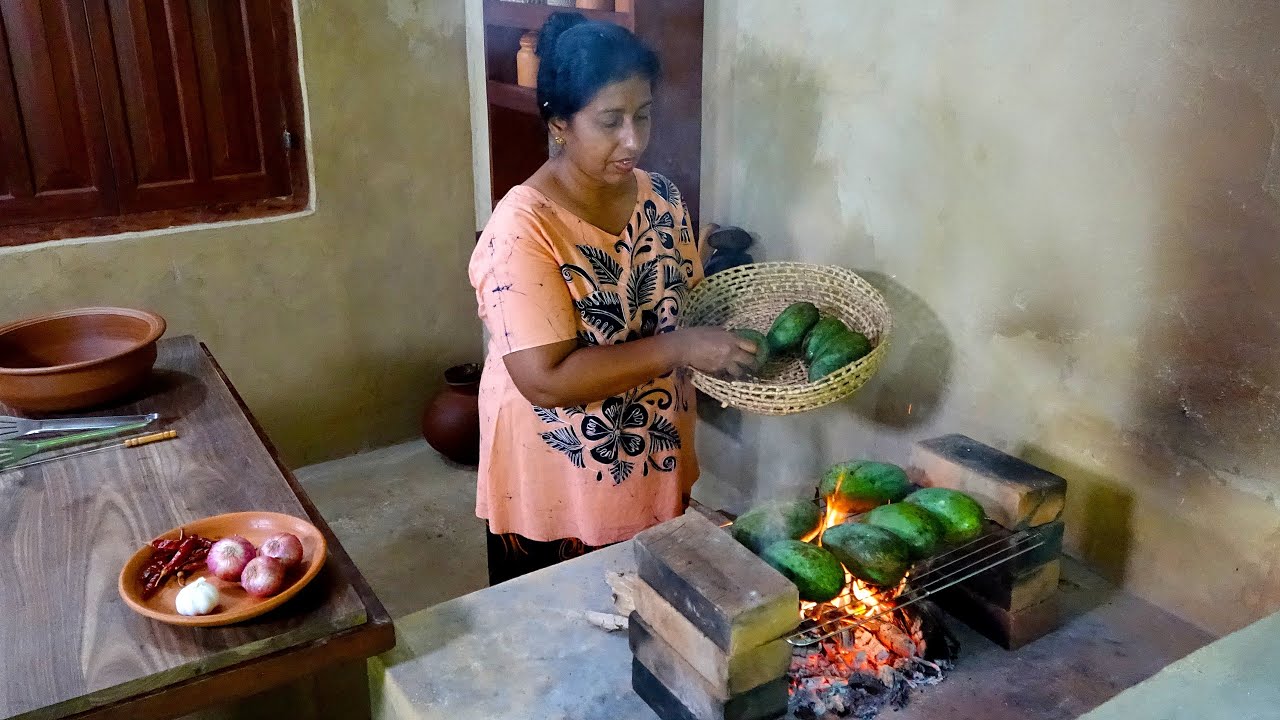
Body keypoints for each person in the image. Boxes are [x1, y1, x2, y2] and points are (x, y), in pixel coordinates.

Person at [467, 12, 757, 585]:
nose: (634, 139)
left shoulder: (662, 198)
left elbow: (685, 304)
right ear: (559, 124)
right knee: (558, 637)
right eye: (610, 121)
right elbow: (545, 380)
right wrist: (680, 347)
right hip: (561, 479)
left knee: (651, 626)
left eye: (643, 115)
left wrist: (723, 339)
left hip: (651, 456)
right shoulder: (524, 228)